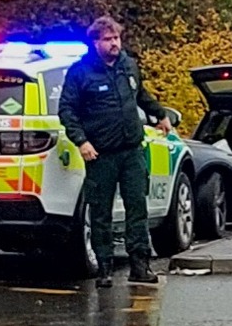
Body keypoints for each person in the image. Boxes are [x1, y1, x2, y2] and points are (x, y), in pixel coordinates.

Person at [58, 15, 165, 289]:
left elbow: (140, 94)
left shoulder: (128, 65)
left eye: (116, 38)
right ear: (95, 43)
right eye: (108, 39)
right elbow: (67, 111)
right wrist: (81, 141)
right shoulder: (80, 73)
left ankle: (140, 265)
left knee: (137, 208)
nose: (114, 43)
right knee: (101, 212)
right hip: (101, 153)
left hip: (131, 150)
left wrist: (159, 114)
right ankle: (104, 267)